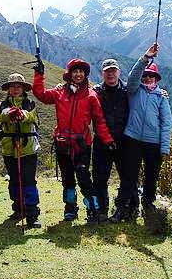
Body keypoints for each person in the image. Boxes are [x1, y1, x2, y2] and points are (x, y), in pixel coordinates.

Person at [32, 58, 114, 222]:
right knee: (68, 178)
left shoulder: (91, 96)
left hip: (82, 145)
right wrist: (39, 75)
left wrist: (107, 139)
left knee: (83, 177)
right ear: (70, 74)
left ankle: (92, 209)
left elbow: (99, 120)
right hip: (62, 143)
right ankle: (70, 208)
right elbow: (40, 94)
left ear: (85, 75)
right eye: (75, 71)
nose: (78, 74)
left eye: (81, 72)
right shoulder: (59, 92)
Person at [111, 44, 172, 223]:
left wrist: (165, 147)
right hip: (132, 140)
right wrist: (145, 58)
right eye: (145, 75)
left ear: (156, 78)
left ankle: (148, 207)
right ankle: (122, 208)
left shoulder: (161, 97)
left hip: (153, 144)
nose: (147, 78)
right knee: (128, 177)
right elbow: (132, 77)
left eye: (151, 76)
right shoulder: (133, 91)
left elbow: (166, 123)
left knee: (151, 178)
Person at [0, 73, 41, 228]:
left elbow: (31, 116)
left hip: (27, 148)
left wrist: (21, 114)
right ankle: (18, 209)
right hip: (9, 148)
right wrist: (10, 113)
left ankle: (32, 213)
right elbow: (1, 116)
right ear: (8, 89)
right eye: (12, 86)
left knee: (29, 180)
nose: (15, 89)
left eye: (18, 86)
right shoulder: (2, 105)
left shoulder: (30, 104)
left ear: (23, 88)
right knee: (14, 179)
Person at [92, 58, 129, 221]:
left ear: (119, 72)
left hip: (124, 143)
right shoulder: (96, 91)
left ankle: (125, 209)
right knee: (100, 179)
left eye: (113, 70)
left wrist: (160, 92)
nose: (111, 74)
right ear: (103, 74)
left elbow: (148, 92)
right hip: (101, 143)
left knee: (127, 178)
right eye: (107, 71)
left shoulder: (129, 90)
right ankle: (101, 210)